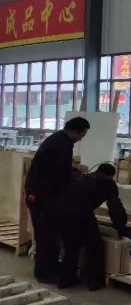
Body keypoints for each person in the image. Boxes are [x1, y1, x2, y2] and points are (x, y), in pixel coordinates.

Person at [24, 116, 90, 283]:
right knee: (46, 236)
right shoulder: (62, 145)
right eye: (82, 135)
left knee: (48, 235)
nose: (82, 138)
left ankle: (48, 270)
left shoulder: (59, 140)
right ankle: (45, 273)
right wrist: (76, 180)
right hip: (40, 196)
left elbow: (58, 168)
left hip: (41, 193)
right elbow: (60, 175)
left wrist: (72, 172)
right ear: (75, 131)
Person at [58, 163, 128, 290]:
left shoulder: (84, 177)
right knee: (94, 247)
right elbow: (115, 207)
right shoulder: (108, 182)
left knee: (71, 248)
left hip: (64, 213)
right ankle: (94, 282)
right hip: (83, 214)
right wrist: (121, 227)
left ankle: (65, 280)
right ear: (111, 175)